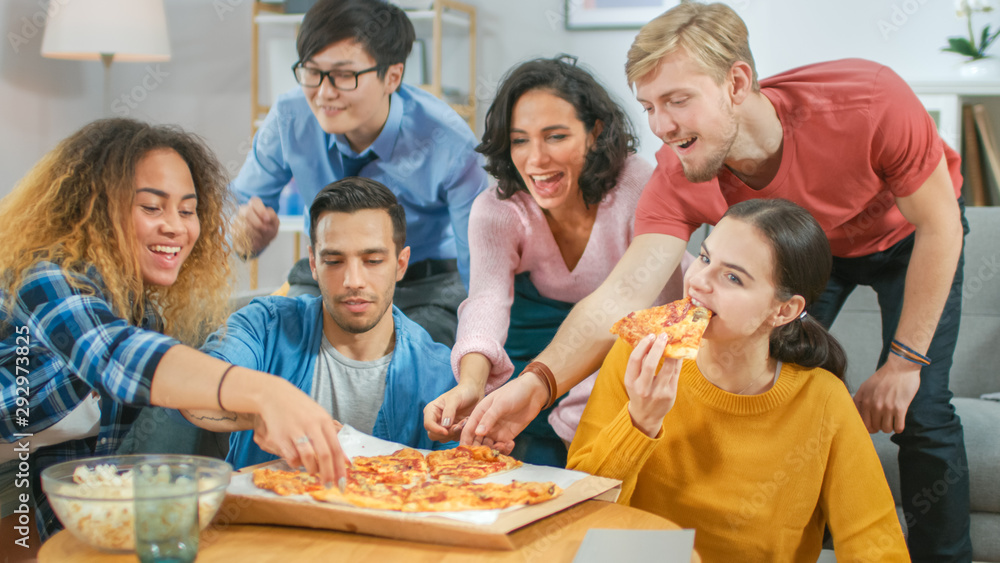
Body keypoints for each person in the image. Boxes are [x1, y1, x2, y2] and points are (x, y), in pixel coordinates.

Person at [463, 3, 970, 559]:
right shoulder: (678, 174)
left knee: (921, 410)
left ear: (736, 82)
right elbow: (622, 295)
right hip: (794, 265)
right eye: (650, 106)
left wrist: (902, 363)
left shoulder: (869, 101)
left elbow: (940, 225)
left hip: (906, 236)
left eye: (678, 101)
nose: (661, 125)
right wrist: (537, 386)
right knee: (787, 386)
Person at [0, 118, 348, 542]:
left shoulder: (140, 311)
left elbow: (161, 412)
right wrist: (266, 392)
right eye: (151, 207)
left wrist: (262, 416)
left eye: (188, 210)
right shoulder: (45, 276)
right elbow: (115, 354)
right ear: (93, 206)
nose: (176, 227)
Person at [568, 199, 909, 562]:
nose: (699, 281)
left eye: (733, 277)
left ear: (784, 310)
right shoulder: (637, 355)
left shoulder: (824, 400)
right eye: (704, 257)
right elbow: (579, 510)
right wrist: (640, 421)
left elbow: (875, 543)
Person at [423, 56, 687, 466]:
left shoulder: (638, 183)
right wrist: (472, 384)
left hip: (637, 329)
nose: (536, 159)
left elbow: (663, 307)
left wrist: (583, 396)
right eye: (520, 140)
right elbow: (487, 300)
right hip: (543, 332)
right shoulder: (498, 209)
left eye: (556, 136)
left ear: (595, 133)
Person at [230, 0, 487, 347]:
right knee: (272, 343)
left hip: (423, 284)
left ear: (392, 76)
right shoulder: (291, 116)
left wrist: (480, 346)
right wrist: (245, 235)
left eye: (343, 75)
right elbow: (239, 209)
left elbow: (479, 269)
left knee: (406, 363)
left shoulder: (449, 142)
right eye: (311, 71)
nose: (323, 93)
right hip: (328, 273)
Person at [186, 177, 463, 469]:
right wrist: (263, 410)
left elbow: (456, 489)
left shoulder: (441, 375)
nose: (353, 281)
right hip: (260, 513)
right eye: (334, 261)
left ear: (401, 264)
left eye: (372, 261)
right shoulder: (263, 327)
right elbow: (189, 387)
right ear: (313, 264)